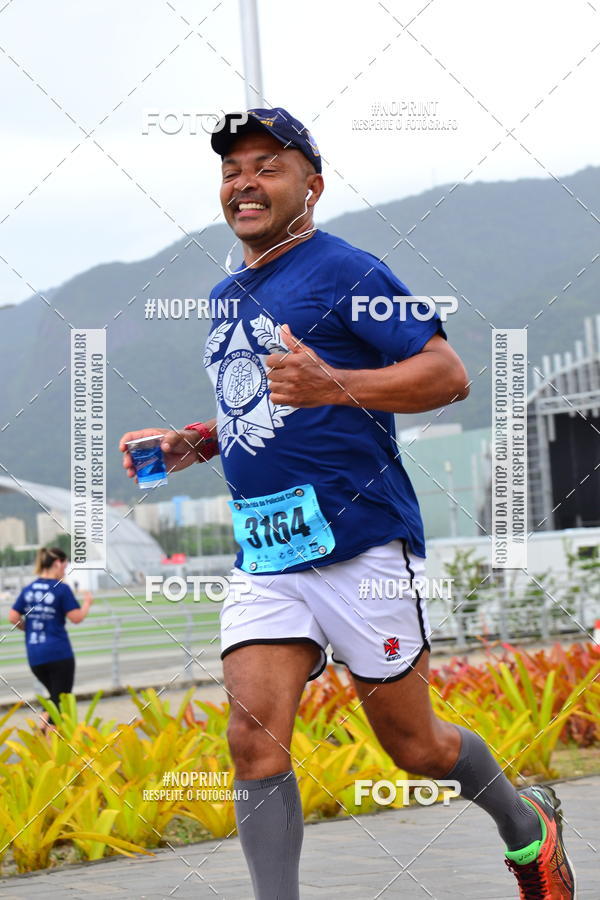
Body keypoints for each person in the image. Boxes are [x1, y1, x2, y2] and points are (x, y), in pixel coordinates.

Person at [120, 108, 575, 899]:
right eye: (232, 171)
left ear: (312, 185)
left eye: (268, 166)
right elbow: (262, 414)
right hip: (266, 557)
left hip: (362, 547)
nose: (244, 183)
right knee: (253, 741)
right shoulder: (227, 295)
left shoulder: (347, 271)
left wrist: (339, 384)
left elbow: (447, 373)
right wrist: (193, 441)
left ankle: (526, 825)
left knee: (419, 748)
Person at [8, 547, 93, 732]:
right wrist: (87, 604)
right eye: (65, 566)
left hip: (35, 655)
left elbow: (13, 616)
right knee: (61, 700)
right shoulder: (61, 589)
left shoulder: (29, 589)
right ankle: (48, 737)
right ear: (57, 564)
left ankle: (45, 725)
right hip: (59, 654)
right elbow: (76, 617)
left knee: (55, 696)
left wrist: (28, 629)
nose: (65, 571)